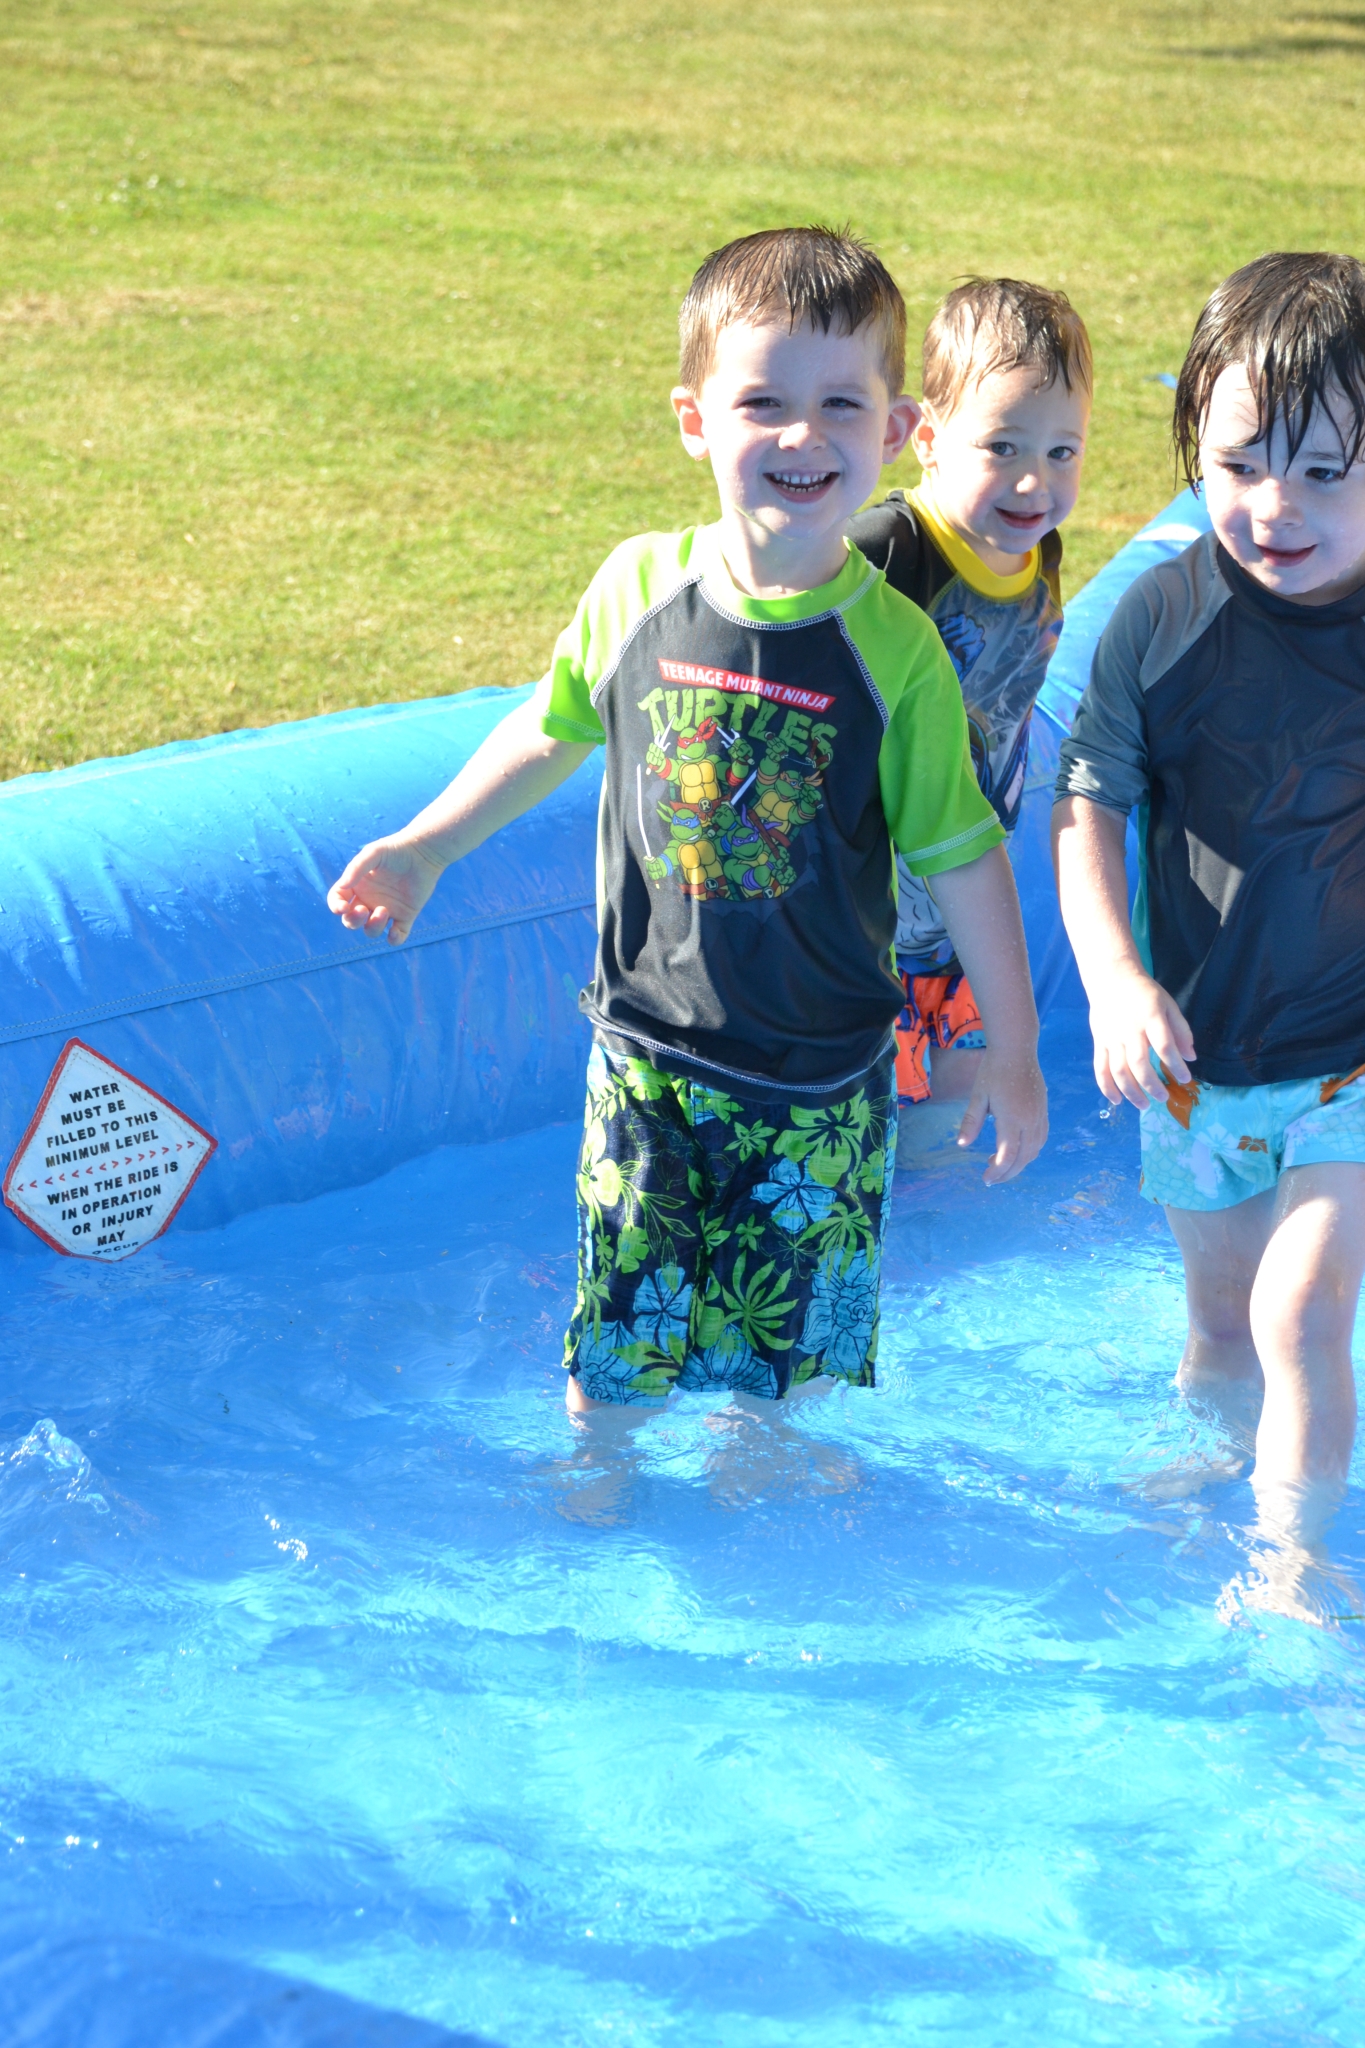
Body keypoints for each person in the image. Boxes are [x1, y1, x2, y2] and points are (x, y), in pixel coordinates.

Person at [329, 226, 1047, 1413]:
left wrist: (1013, 1050)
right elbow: (548, 729)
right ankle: (600, 1500)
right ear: (695, 419)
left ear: (896, 429)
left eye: (840, 404)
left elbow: (964, 856)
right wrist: (424, 847)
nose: (802, 436)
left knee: (782, 1390)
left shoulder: (898, 651)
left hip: (822, 1084)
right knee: (612, 1370)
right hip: (647, 1059)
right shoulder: (637, 587)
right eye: (763, 402)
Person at [1052, 251, 1365, 1582]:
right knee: (1225, 1320)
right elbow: (1087, 801)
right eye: (1237, 465)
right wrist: (1114, 978)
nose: (1273, 506)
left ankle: (1291, 1564)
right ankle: (1207, 1471)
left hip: (1349, 1058)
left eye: (1322, 472)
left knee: (1300, 1313)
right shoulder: (1162, 618)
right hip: (1197, 1062)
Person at [847, 278, 1091, 1111]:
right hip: (861, 925)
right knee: (866, 1131)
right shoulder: (885, 554)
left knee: (950, 1126)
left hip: (956, 923)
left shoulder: (1037, 554)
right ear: (927, 439)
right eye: (1003, 447)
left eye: (1061, 452)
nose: (1034, 484)